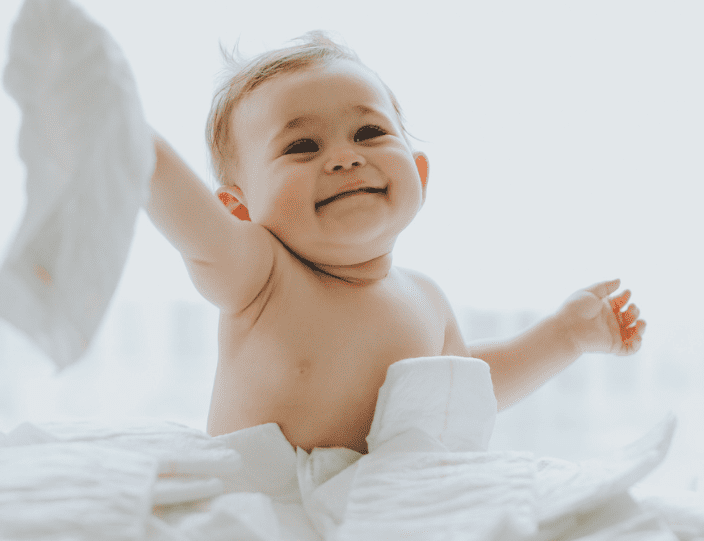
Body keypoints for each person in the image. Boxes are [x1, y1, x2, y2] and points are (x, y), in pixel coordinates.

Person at [144, 32, 645, 453]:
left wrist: (563, 336)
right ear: (238, 208)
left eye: (369, 132)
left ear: (420, 174)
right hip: (270, 515)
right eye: (302, 146)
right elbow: (174, 197)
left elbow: (466, 387)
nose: (344, 157)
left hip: (379, 518)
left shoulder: (425, 299)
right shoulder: (259, 275)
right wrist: (118, 129)